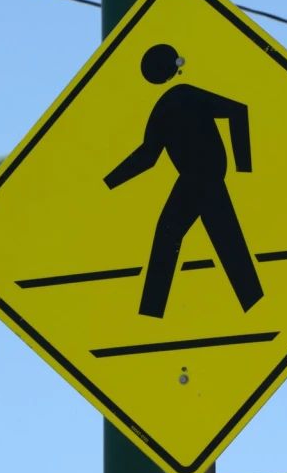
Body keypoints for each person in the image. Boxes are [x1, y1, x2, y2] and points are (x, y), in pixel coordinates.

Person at [104, 44, 264, 319]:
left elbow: (238, 111)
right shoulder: (177, 98)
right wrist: (108, 183)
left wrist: (245, 168)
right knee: (218, 239)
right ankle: (252, 302)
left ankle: (152, 312)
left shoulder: (175, 100)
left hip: (203, 179)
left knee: (201, 237)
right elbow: (149, 155)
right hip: (197, 179)